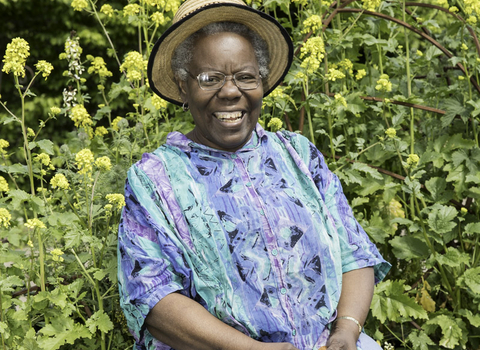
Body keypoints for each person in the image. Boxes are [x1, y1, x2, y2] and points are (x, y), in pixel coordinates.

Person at [118, 0, 391, 349]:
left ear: (261, 82)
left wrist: (347, 331)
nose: (230, 92)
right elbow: (151, 297)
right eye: (210, 79)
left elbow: (355, 253)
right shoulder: (154, 180)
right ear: (183, 86)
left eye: (245, 77)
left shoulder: (299, 155)